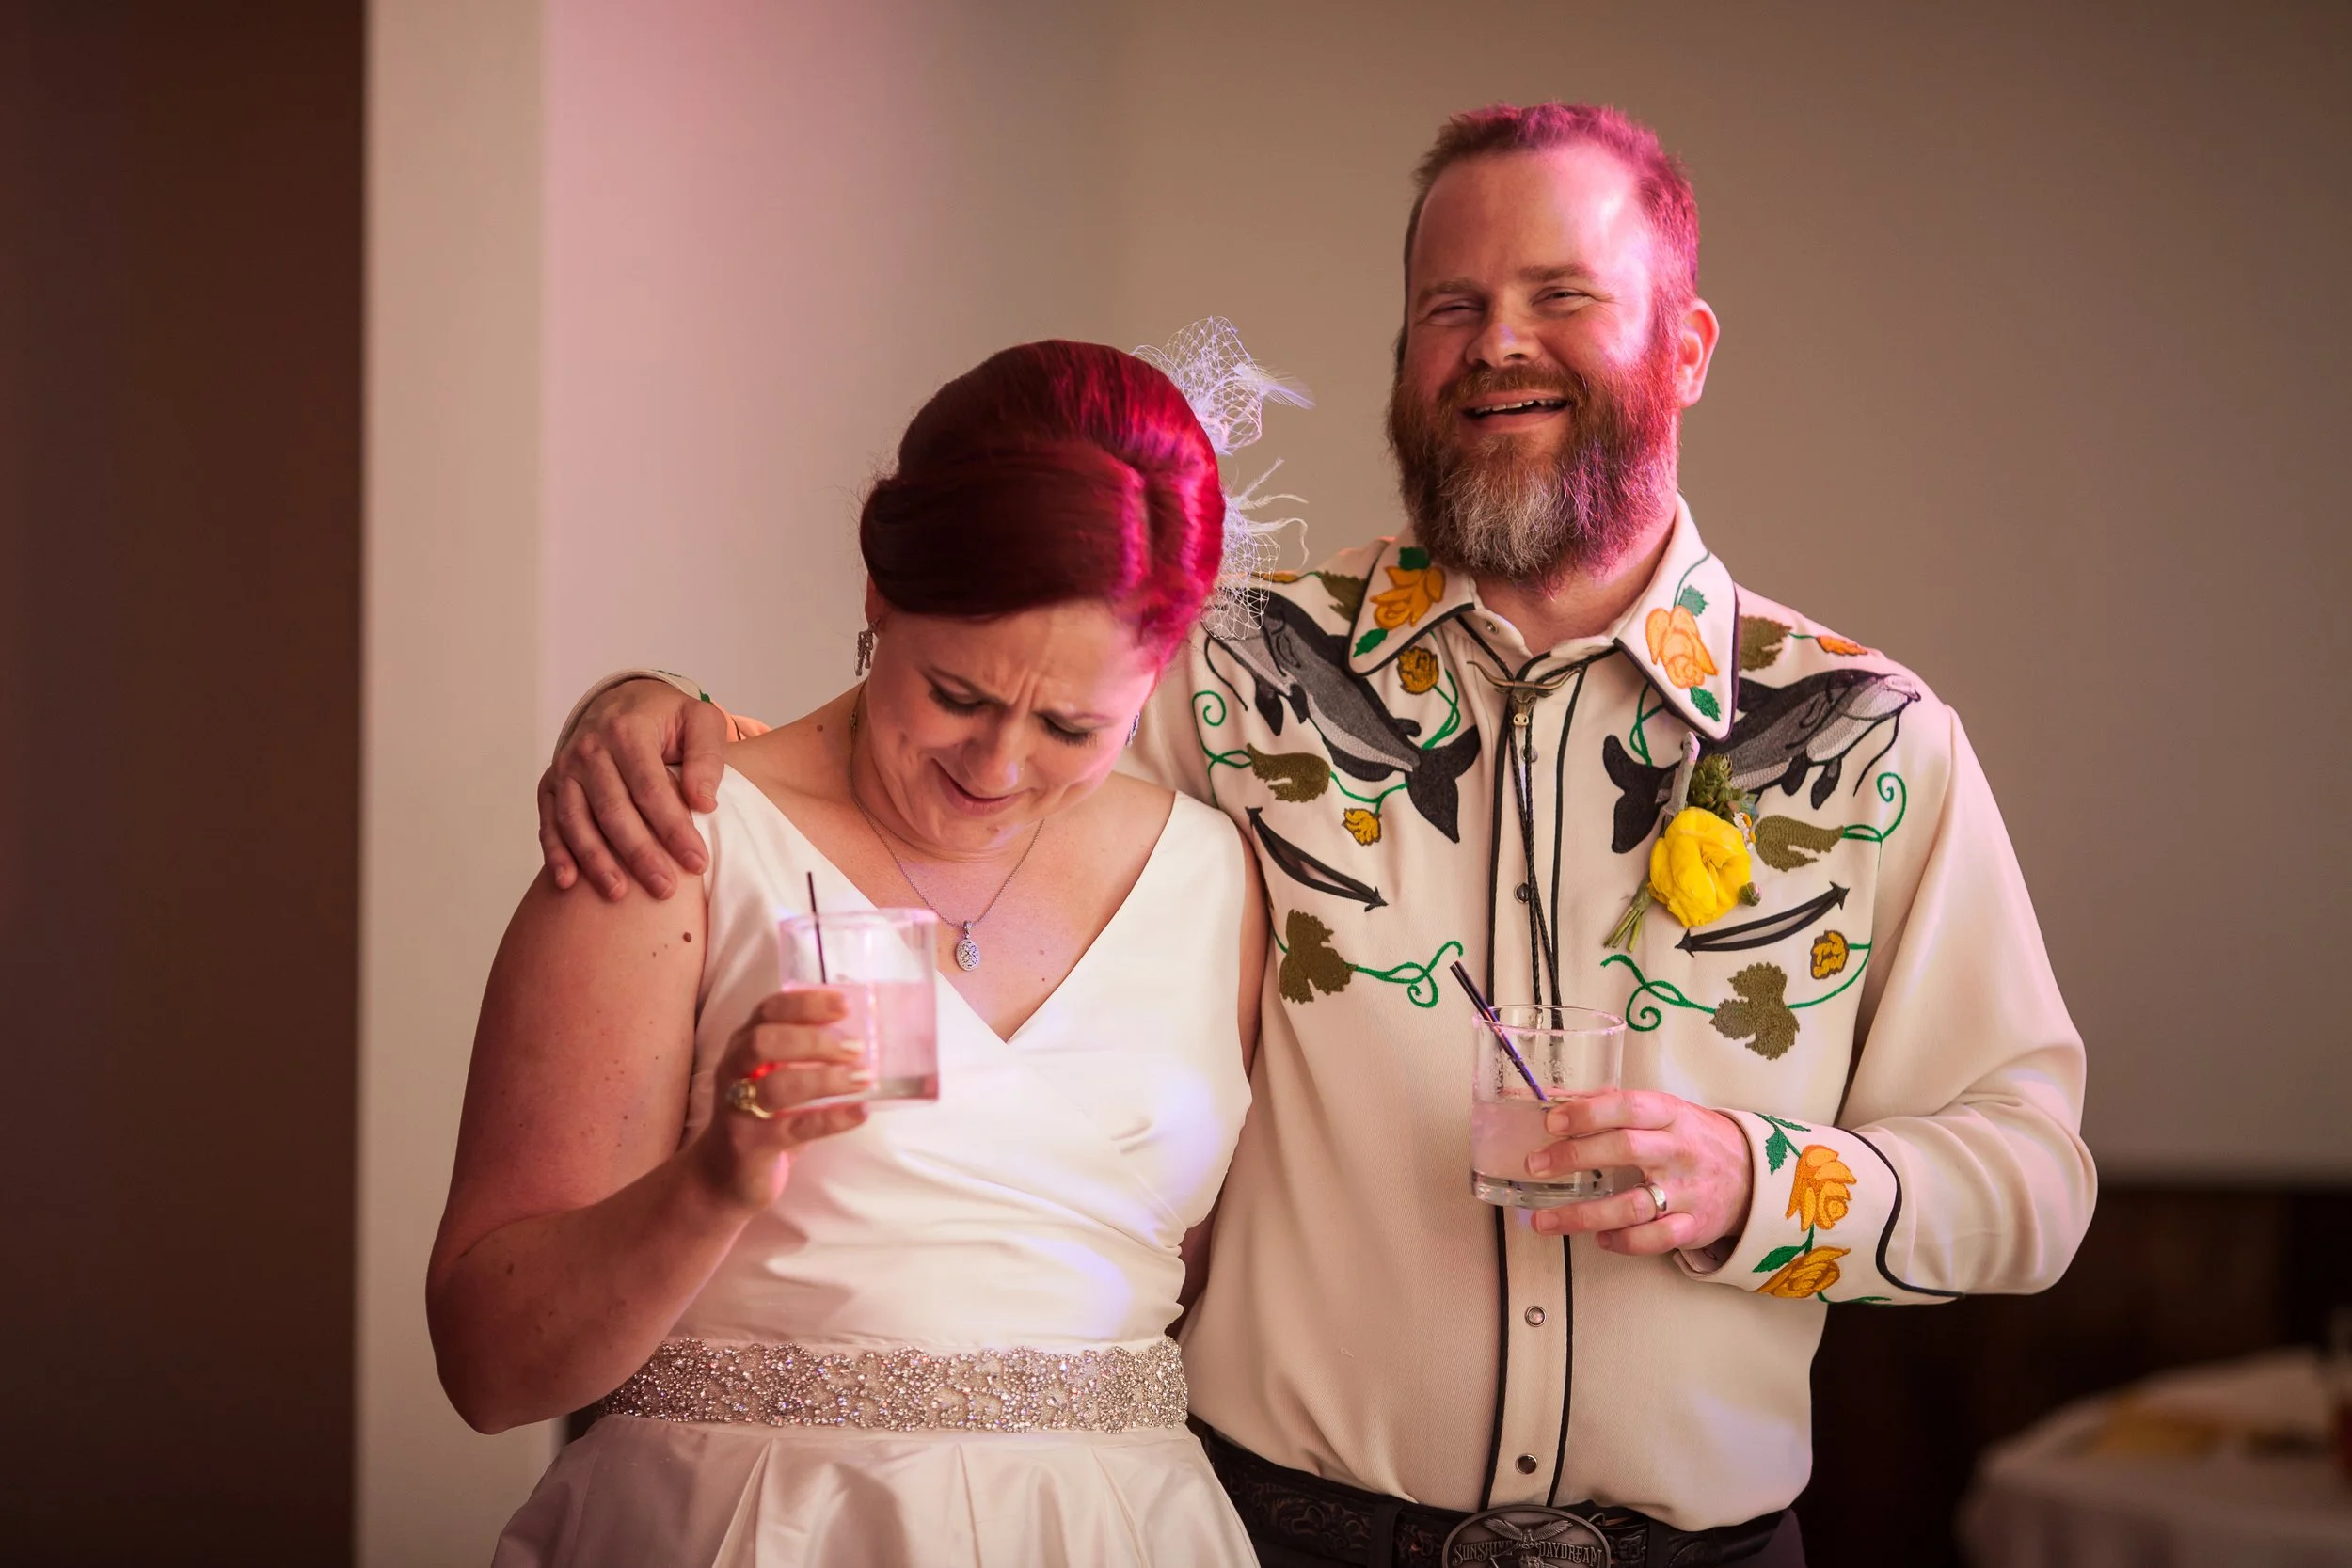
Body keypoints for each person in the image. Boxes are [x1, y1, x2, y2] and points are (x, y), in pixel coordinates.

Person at [546, 103, 2093, 1567]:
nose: (1498, 343)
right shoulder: (1230, 675)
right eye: (1450, 305)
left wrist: (1754, 1182)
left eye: (1561, 295)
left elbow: (2032, 1178)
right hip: (1277, 1535)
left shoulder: (1869, 739)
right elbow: (943, 754)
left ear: (1685, 348)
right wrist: (663, 714)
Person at [431, 339, 1275, 1566]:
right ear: (880, 593)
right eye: (958, 694)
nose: (997, 768)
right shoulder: (675, 836)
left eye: (1070, 725)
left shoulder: (1212, 881)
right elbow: (489, 1365)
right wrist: (715, 1177)